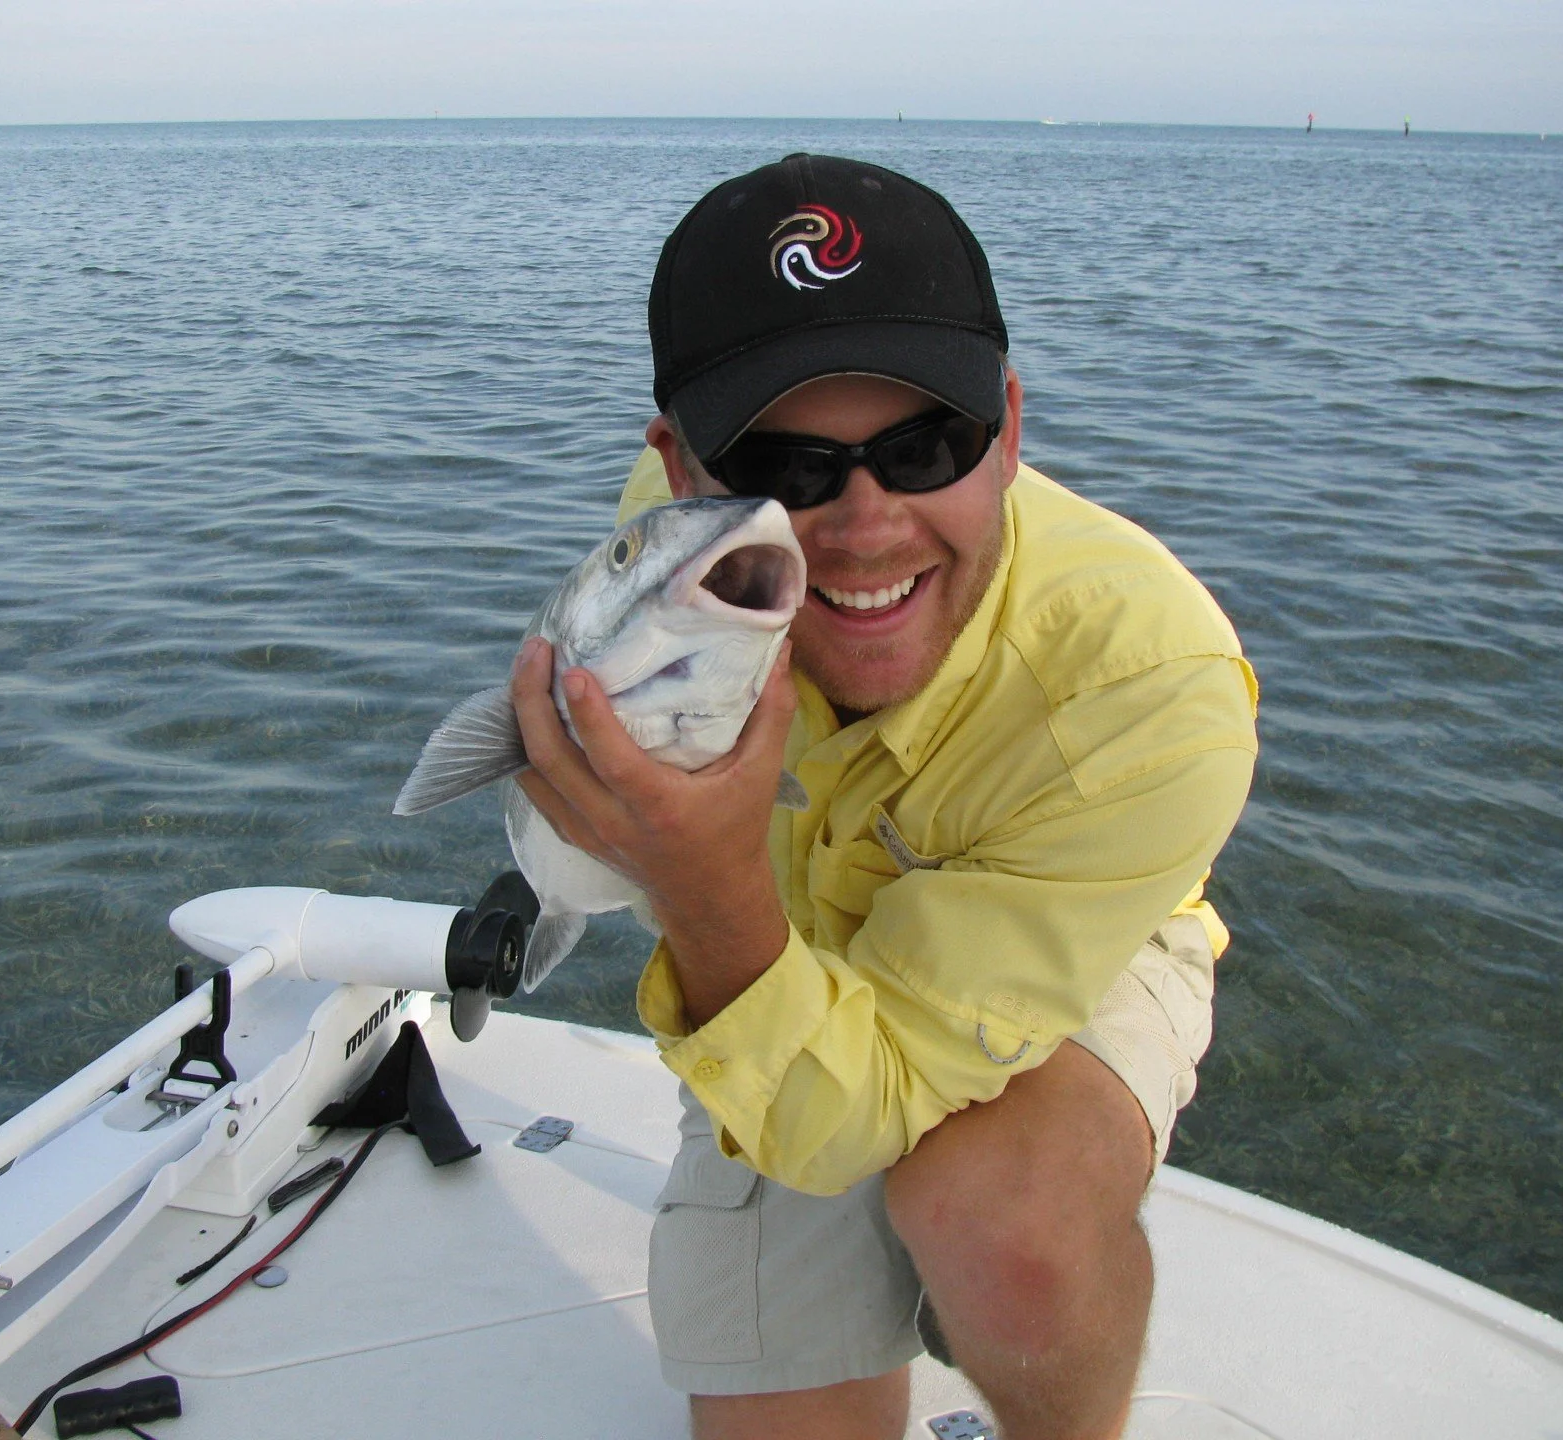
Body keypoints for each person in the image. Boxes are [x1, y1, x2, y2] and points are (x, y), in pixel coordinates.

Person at [508, 154, 1258, 1440]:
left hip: (1059, 909)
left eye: (928, 445)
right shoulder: (674, 553)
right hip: (770, 916)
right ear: (680, 472)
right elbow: (814, 1120)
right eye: (785, 467)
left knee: (1000, 1228)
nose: (864, 522)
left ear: (1010, 429)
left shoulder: (1148, 689)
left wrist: (705, 883)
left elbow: (852, 1081)